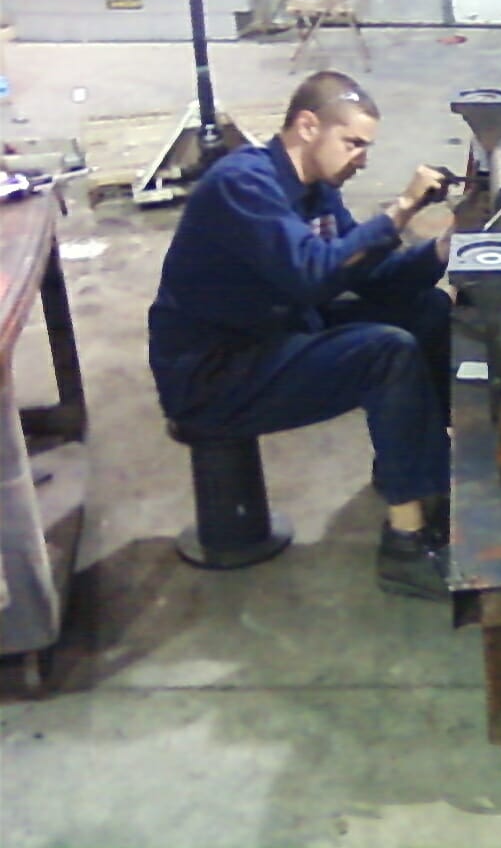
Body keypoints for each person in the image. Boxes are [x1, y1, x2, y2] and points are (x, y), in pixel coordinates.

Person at [149, 70, 455, 600]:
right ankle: (407, 547)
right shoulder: (242, 184)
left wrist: (448, 247)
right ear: (308, 126)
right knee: (385, 353)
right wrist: (400, 209)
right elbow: (313, 274)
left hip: (276, 331)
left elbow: (363, 274)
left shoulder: (316, 189)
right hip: (214, 372)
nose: (362, 158)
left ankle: (425, 474)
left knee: (424, 308)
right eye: (353, 143)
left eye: (367, 147)